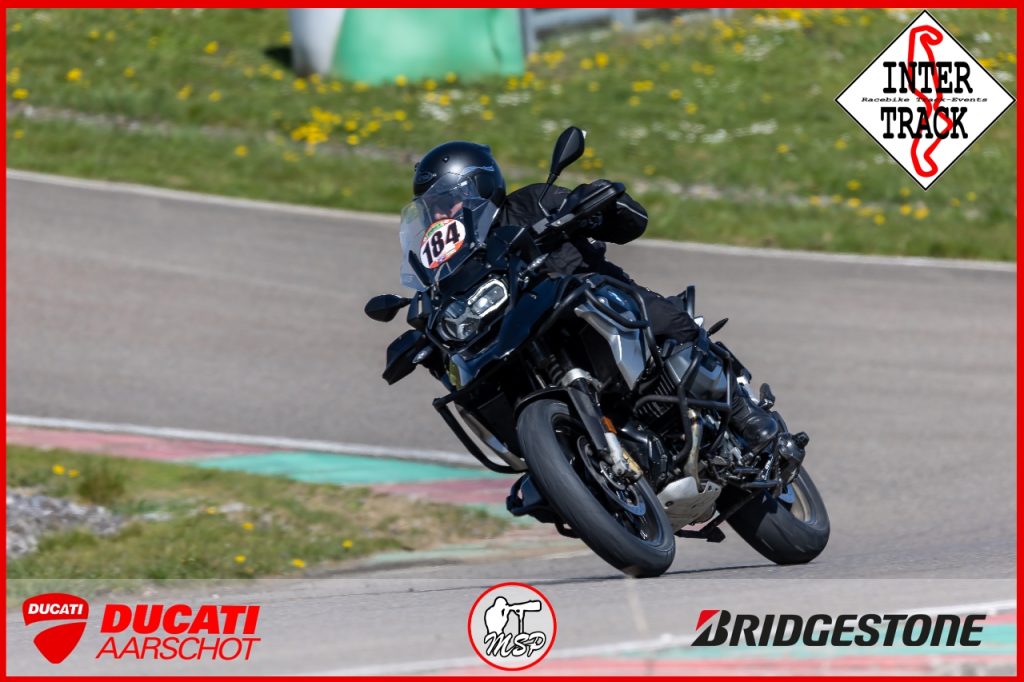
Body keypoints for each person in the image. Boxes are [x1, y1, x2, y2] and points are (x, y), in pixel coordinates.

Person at [410, 140, 779, 450]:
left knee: (665, 320)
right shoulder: (450, 266)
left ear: (482, 185)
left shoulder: (531, 203)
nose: (444, 211)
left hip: (592, 299)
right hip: (519, 338)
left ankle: (742, 411)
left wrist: (595, 206)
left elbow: (630, 221)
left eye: (451, 197)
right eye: (434, 206)